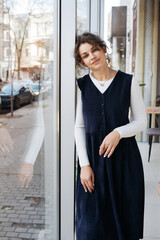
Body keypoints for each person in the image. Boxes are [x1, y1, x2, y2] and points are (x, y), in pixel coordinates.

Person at [74, 32, 147, 240]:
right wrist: (84, 165)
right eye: (85, 55)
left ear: (103, 49)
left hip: (124, 162)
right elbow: (78, 126)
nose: (92, 57)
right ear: (83, 62)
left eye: (94, 50)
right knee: (90, 227)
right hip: (93, 164)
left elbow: (141, 121)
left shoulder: (128, 81)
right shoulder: (82, 86)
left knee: (122, 226)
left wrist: (118, 132)